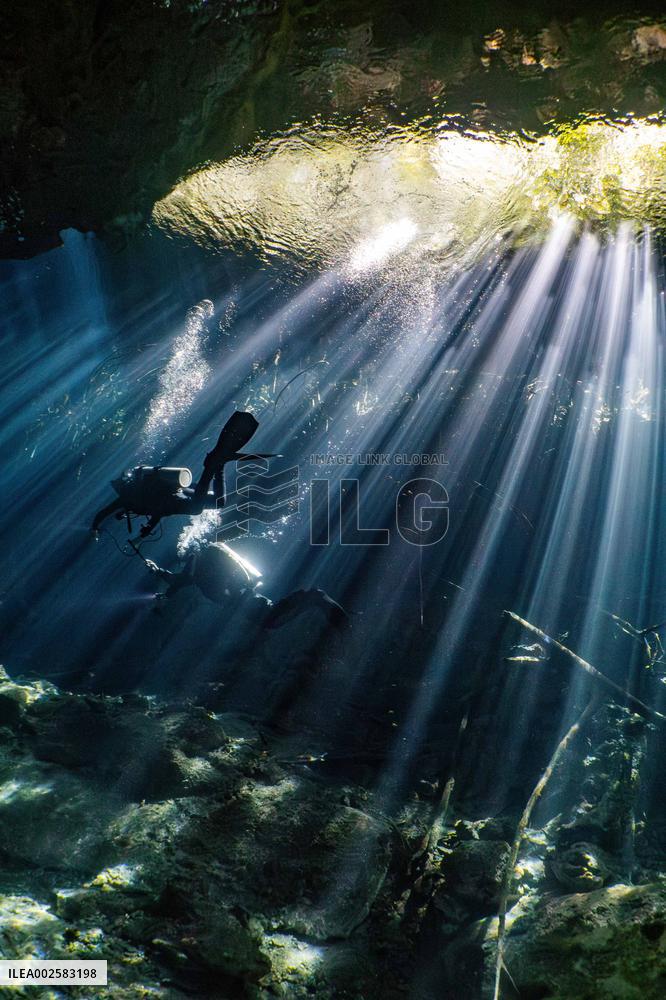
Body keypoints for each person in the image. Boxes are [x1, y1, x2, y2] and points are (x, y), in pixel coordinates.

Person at [91, 410, 270, 537]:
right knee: (219, 502)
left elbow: (102, 513)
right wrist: (149, 526)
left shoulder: (126, 499)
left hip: (177, 497)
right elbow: (158, 510)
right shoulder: (133, 499)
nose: (123, 515)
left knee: (197, 508)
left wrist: (94, 528)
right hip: (178, 494)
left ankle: (212, 465)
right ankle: (219, 464)